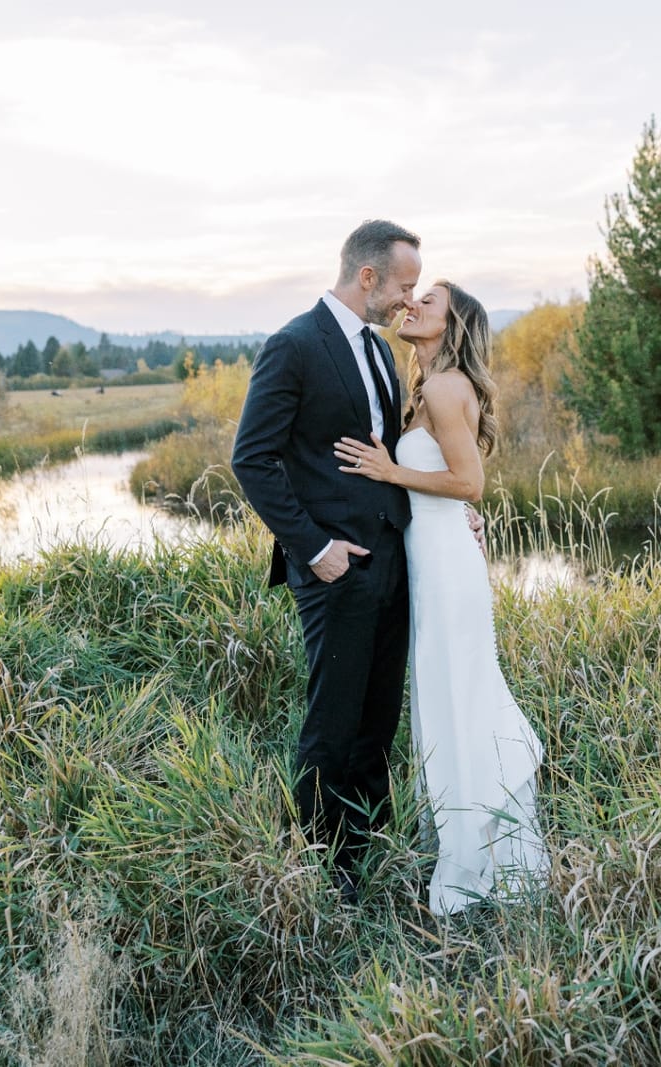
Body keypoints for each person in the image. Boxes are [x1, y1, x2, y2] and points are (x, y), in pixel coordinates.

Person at [334, 280, 548, 916]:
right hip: (429, 561)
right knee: (443, 696)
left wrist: (389, 470)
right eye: (415, 295)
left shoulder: (448, 385)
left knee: (463, 693)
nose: (414, 304)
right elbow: (447, 489)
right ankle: (465, 843)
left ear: (451, 323)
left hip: (450, 571)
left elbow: (469, 483)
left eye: (429, 301)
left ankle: (480, 854)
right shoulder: (424, 387)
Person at [231, 220, 422, 904]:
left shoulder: (379, 351)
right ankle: (319, 868)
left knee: (377, 719)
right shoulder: (295, 345)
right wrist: (313, 548)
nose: (409, 299)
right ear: (367, 277)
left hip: (394, 561)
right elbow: (251, 457)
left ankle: (368, 849)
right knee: (332, 724)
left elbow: (388, 457)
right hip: (334, 569)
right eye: (404, 285)